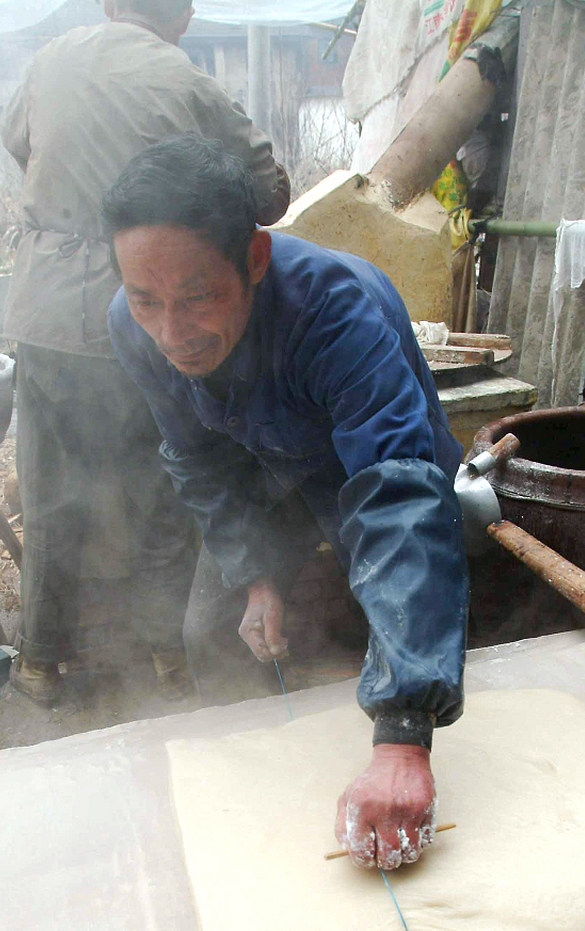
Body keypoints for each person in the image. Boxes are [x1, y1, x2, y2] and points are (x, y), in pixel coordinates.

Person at [103, 134, 469, 871]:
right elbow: (197, 458)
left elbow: (396, 494)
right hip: (267, 472)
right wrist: (256, 575)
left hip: (376, 466)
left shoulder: (339, 312)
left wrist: (402, 730)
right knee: (213, 628)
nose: (172, 334)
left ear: (255, 260)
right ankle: (263, 819)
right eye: (147, 301)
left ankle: (401, 760)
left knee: (407, 610)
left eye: (198, 296)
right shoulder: (132, 326)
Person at [0, 0, 290, 704]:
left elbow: (16, 143)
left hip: (40, 310)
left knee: (49, 488)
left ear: (108, 5)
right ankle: (164, 654)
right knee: (164, 487)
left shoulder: (51, 58)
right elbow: (270, 194)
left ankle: (38, 660)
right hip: (143, 312)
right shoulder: (187, 82)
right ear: (184, 16)